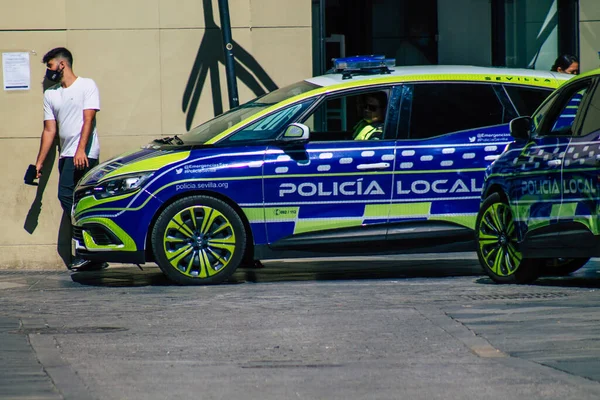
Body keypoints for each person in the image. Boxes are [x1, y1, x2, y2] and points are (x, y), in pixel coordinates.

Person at [34, 47, 107, 271]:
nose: (49, 72)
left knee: (66, 195)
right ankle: (93, 251)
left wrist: (81, 150)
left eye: (50, 66)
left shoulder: (87, 85)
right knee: (77, 203)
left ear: (62, 65)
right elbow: (49, 131)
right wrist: (38, 163)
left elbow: (88, 120)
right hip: (65, 155)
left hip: (84, 154)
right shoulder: (51, 94)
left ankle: (92, 247)